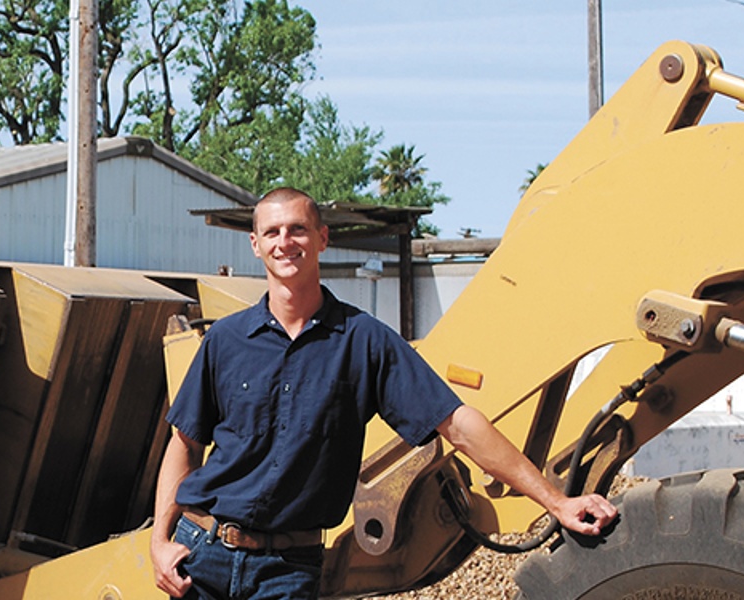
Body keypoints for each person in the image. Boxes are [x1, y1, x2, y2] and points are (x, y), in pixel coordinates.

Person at [150, 187, 618, 599]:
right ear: (255, 244)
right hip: (202, 557)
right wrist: (160, 542)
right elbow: (184, 443)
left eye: (297, 229)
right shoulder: (225, 341)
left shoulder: (364, 341)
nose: (284, 242)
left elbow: (457, 423)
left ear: (322, 238)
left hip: (287, 572)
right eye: (272, 232)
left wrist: (556, 502)